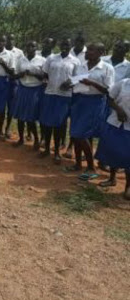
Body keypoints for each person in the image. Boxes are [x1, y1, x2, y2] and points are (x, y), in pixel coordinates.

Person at [65, 43, 114, 179]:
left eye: (91, 50)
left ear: (101, 52)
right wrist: (69, 83)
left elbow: (109, 90)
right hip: (78, 100)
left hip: (94, 102)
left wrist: (91, 83)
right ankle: (78, 164)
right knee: (75, 133)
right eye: (88, 50)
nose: (87, 52)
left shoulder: (106, 68)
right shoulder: (81, 65)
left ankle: (91, 167)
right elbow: (75, 81)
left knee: (82, 134)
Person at [39, 38, 81, 164]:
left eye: (67, 44)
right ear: (59, 45)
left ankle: (56, 152)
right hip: (50, 93)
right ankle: (46, 149)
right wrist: (45, 80)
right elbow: (45, 73)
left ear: (71, 46)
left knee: (59, 124)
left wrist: (69, 84)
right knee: (46, 123)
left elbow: (77, 78)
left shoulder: (75, 61)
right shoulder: (51, 58)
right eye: (63, 43)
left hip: (64, 96)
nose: (64, 46)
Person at [95, 78, 130, 197]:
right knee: (113, 152)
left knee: (128, 156)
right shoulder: (123, 83)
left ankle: (128, 187)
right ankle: (112, 178)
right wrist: (119, 110)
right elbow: (110, 99)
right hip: (115, 123)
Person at [12, 41, 46, 149]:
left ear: (36, 47)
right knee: (20, 117)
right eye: (28, 45)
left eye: (33, 46)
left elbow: (44, 77)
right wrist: (21, 74)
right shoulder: (21, 59)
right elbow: (14, 75)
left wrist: (33, 74)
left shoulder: (42, 60)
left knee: (31, 117)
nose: (30, 48)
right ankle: (21, 138)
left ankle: (36, 140)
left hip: (35, 90)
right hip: (22, 89)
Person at [4, 34, 25, 139]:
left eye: (12, 39)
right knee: (1, 104)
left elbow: (21, 67)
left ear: (15, 40)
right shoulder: (2, 51)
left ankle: (7, 128)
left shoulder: (19, 52)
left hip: (14, 81)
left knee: (11, 105)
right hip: (3, 80)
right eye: (8, 39)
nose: (10, 41)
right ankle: (0, 127)